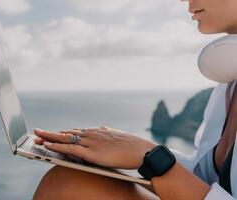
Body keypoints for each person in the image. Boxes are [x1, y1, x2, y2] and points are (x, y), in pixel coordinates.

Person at [32, 0, 237, 199]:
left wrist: (149, 156)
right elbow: (207, 176)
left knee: (65, 186)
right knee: (72, 179)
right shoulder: (229, 80)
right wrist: (126, 148)